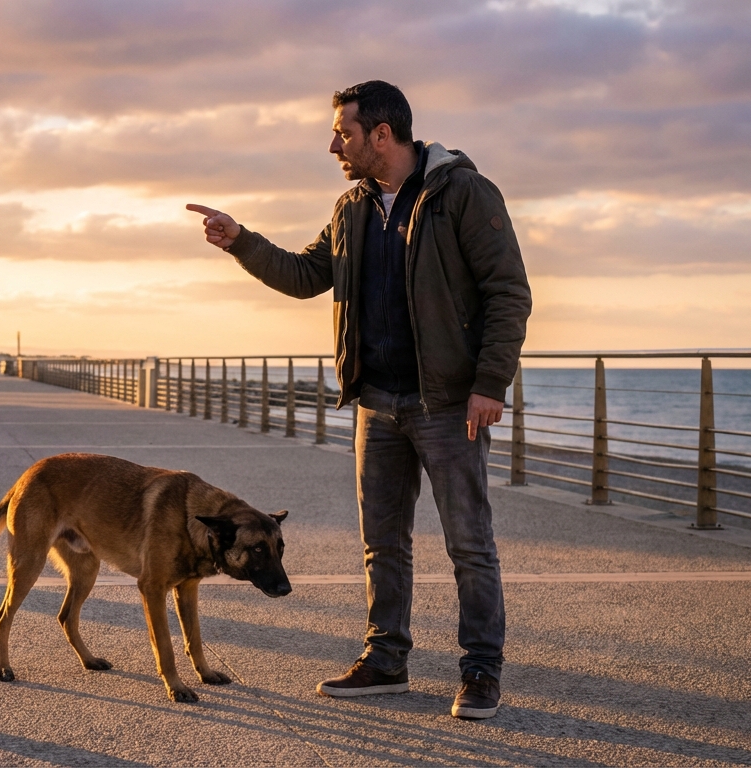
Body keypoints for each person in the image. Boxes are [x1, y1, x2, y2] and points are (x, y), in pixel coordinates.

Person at [187, 81, 531, 720]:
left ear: (381, 134)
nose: (332, 145)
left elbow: (508, 292)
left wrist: (490, 384)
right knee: (383, 542)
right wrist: (239, 239)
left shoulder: (462, 194)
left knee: (469, 544)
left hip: (448, 402)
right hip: (376, 400)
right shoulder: (352, 208)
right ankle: (385, 659)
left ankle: (481, 669)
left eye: (342, 132)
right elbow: (303, 275)